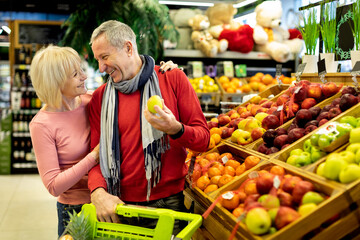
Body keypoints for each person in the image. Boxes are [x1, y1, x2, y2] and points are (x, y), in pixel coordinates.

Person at [28, 45, 179, 237]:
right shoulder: (41, 125)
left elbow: (132, 86)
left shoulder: (91, 100)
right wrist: (94, 156)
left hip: (111, 200)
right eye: (76, 74)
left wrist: (161, 72)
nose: (84, 76)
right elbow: (53, 185)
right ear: (55, 82)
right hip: (76, 210)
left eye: (81, 70)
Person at [87, 20, 210, 234]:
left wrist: (176, 129)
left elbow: (204, 140)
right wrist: (97, 191)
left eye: (105, 57)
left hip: (167, 206)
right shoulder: (100, 97)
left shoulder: (172, 79)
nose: (101, 68)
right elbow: (95, 155)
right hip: (118, 207)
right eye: (98, 59)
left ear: (128, 48)